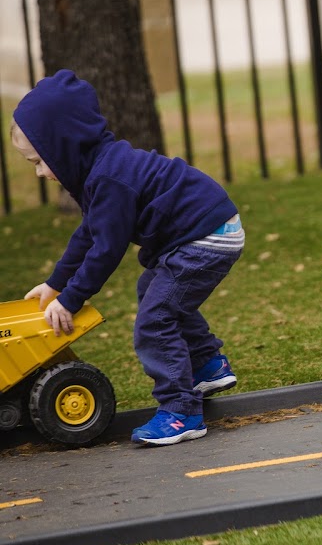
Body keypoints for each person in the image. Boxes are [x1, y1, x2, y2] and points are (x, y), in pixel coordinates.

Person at [12, 69, 243, 446]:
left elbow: (106, 249)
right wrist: (55, 284)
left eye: (38, 161)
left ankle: (181, 412)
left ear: (63, 145)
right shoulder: (100, 171)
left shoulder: (109, 179)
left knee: (154, 320)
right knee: (157, 289)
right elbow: (88, 234)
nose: (39, 172)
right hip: (202, 231)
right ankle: (207, 364)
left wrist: (72, 299)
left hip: (206, 237)